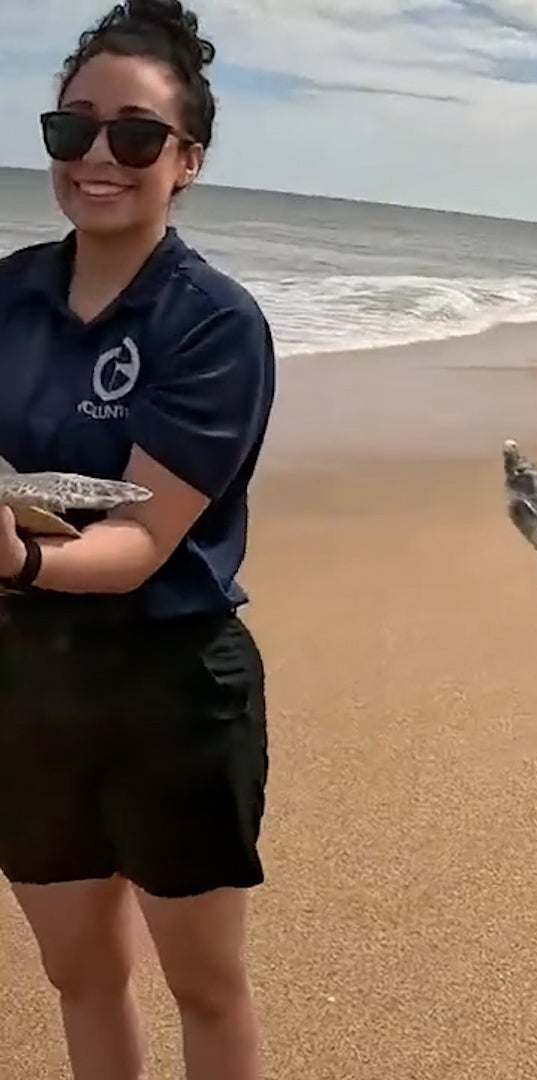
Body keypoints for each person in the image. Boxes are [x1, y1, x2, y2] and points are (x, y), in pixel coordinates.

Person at [0, 2, 277, 1078]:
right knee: (79, 972)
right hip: (25, 683)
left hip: (172, 684)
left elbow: (145, 537)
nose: (98, 157)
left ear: (188, 159)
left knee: (203, 984)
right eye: (73, 129)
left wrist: (19, 554)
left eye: (135, 134)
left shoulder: (212, 323)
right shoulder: (11, 296)